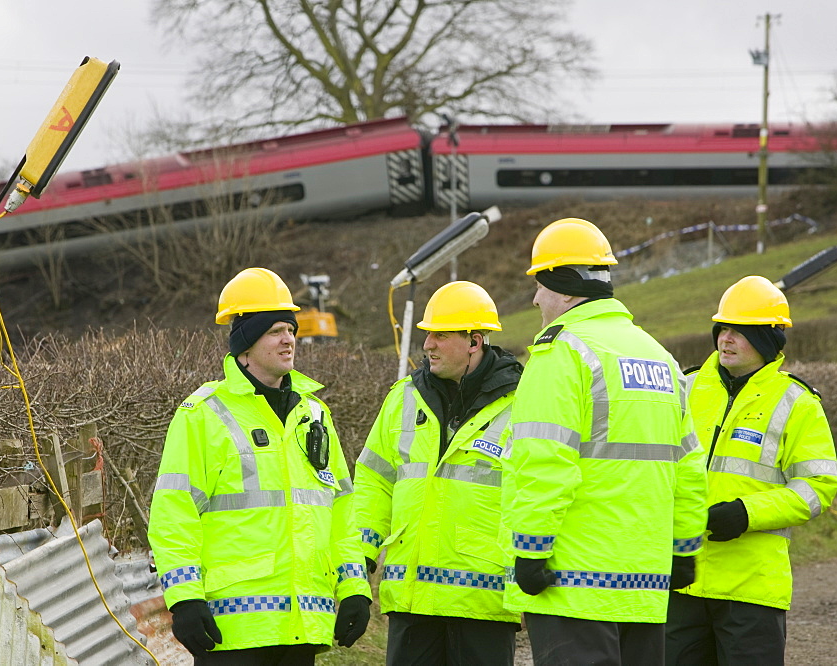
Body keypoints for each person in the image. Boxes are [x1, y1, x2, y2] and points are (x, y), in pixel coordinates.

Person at [501, 217, 708, 666]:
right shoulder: (660, 357)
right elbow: (689, 465)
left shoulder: (561, 352)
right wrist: (685, 548)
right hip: (646, 586)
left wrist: (530, 548)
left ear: (566, 286)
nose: (536, 297)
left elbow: (544, 462)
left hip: (573, 584)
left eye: (541, 284)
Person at [148, 267, 371, 665]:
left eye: (291, 329)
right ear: (245, 345)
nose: (289, 339)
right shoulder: (203, 414)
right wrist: (183, 598)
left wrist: (354, 587)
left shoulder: (315, 414)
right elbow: (174, 513)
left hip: (303, 625)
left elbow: (341, 511)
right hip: (233, 631)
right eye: (275, 331)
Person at [665, 275, 837, 665]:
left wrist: (747, 514)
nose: (725, 338)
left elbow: (818, 487)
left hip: (751, 590)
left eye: (739, 331)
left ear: (766, 340)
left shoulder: (798, 403)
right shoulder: (685, 387)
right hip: (680, 579)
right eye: (722, 328)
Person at [354, 280, 524, 665]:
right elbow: (374, 481)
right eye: (427, 334)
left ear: (474, 341)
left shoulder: (523, 403)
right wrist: (361, 555)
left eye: (440, 335)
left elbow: (535, 489)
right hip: (410, 603)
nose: (427, 345)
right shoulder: (403, 397)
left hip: (484, 603)